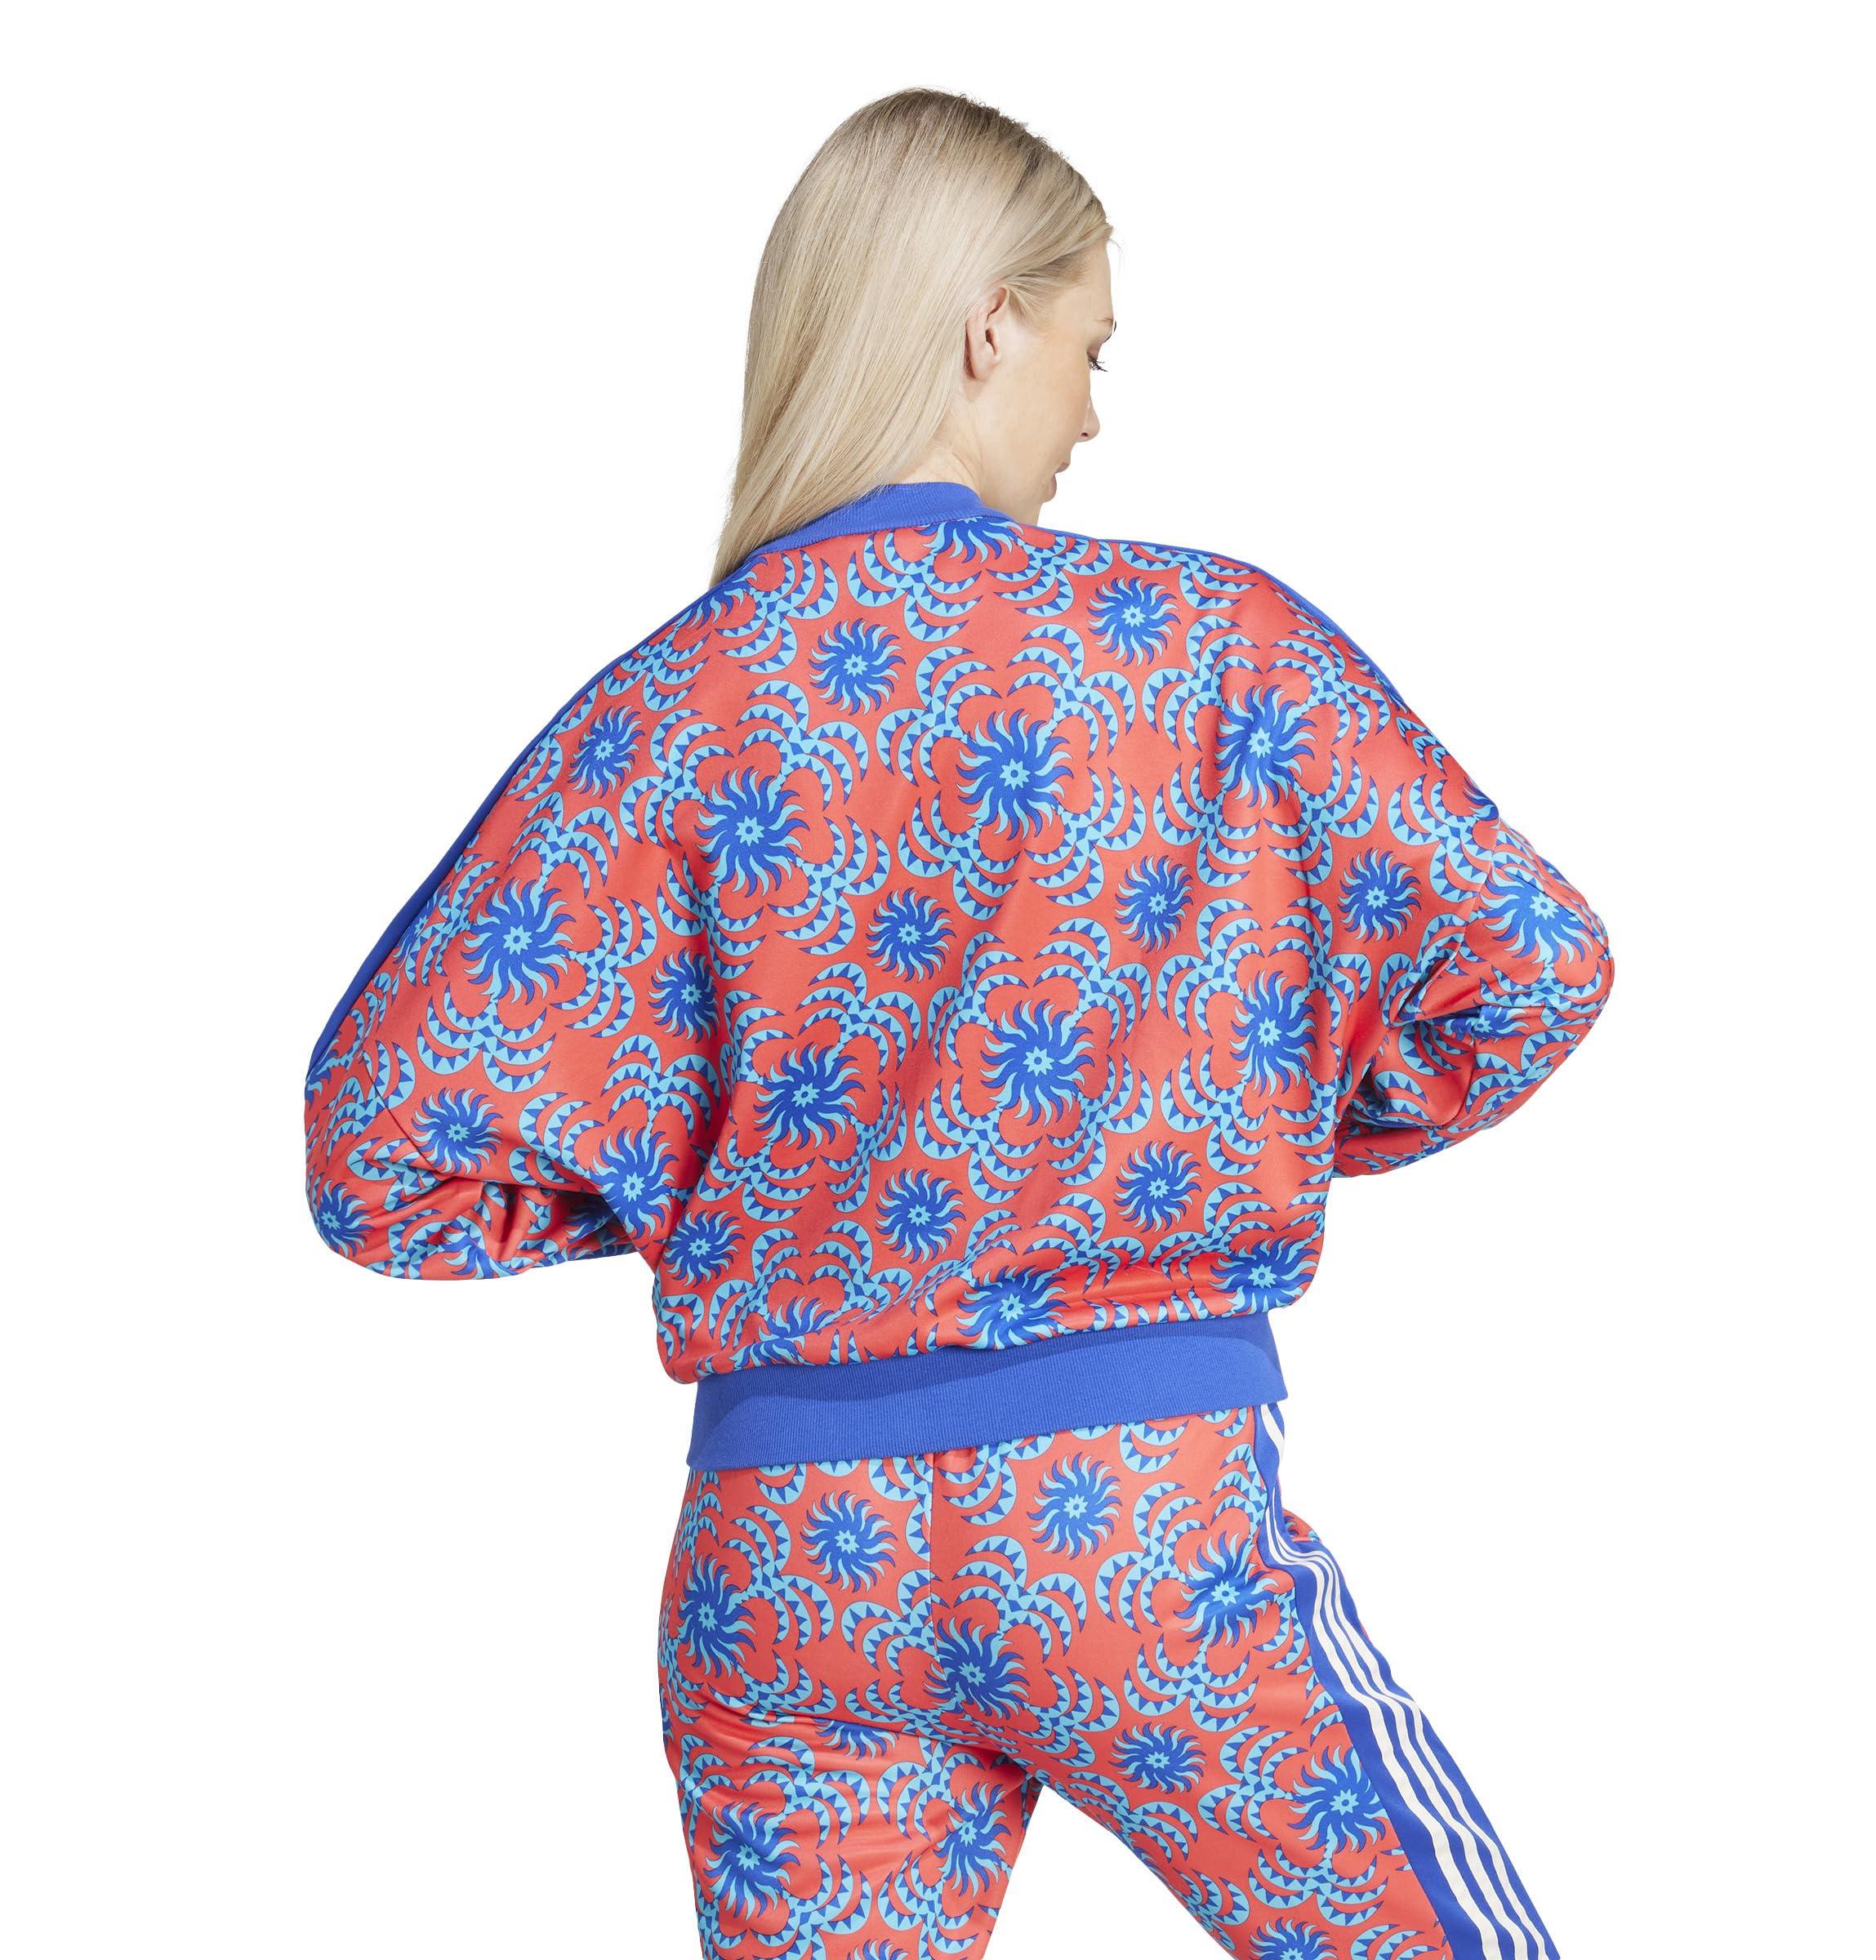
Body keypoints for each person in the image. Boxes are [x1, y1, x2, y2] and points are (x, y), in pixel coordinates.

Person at [303, 85, 1614, 1960]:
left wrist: (726, 1187)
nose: (1093, 413)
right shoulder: (1212, 648)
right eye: (1091, 347)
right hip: (1130, 1524)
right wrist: (1240, 1120)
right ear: (989, 324)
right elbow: (1533, 966)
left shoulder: (665, 713)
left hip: (786, 1565)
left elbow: (379, 1149)